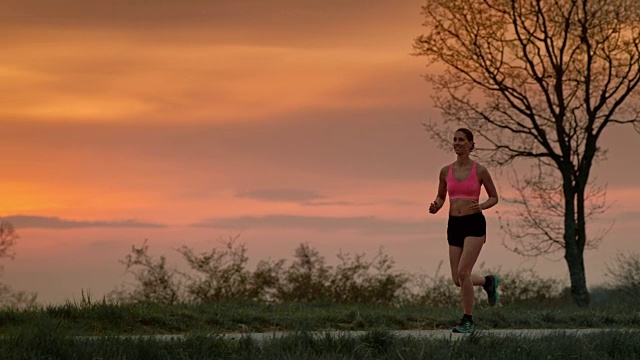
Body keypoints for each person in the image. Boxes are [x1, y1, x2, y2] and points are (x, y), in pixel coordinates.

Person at [428, 128, 500, 334]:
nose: (457, 143)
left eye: (461, 140)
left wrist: (482, 206)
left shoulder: (480, 171)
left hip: (474, 223)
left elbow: (494, 197)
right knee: (458, 280)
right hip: (454, 224)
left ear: (471, 144)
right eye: (455, 140)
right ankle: (488, 281)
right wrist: (436, 206)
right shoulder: (445, 171)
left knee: (463, 272)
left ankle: (468, 320)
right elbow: (441, 196)